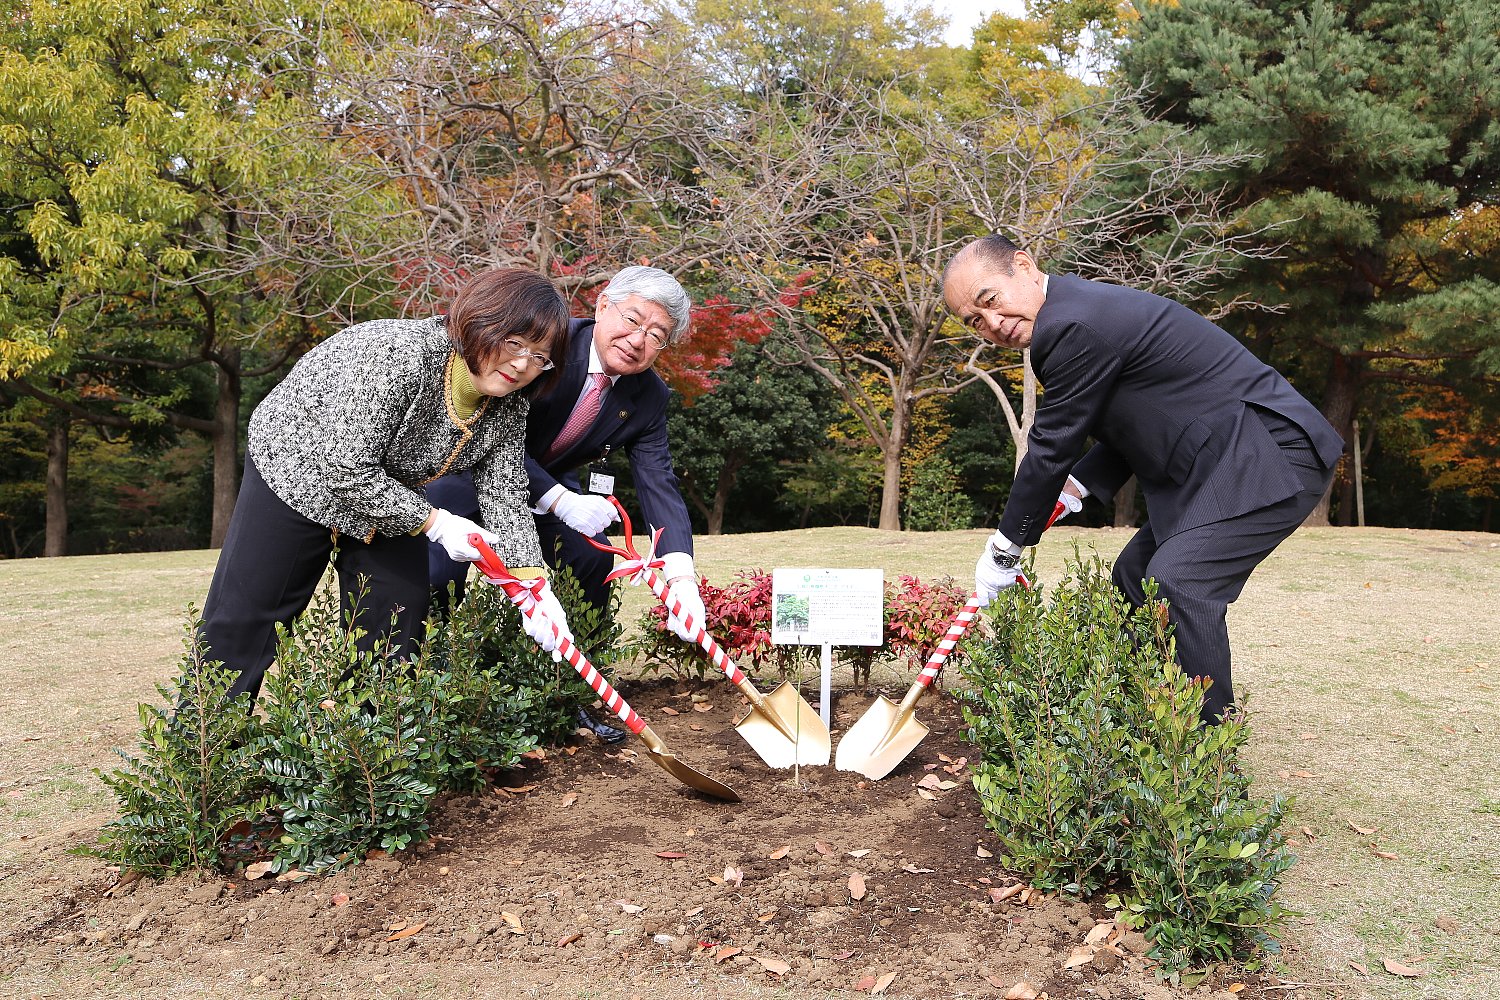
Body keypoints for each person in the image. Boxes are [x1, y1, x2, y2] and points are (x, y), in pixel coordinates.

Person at [943, 234, 1343, 723]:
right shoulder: (1079, 311)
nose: (992, 324)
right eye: (974, 322)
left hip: (1268, 451)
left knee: (1180, 582)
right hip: (1221, 460)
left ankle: (1205, 756)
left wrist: (1006, 548)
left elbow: (1051, 446)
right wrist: (1077, 487)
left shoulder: (1070, 324)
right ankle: (1139, 719)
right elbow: (1138, 417)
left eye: (990, 301)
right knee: (1135, 578)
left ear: (1023, 266)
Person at [199, 268, 576, 705]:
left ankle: (366, 757)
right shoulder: (400, 355)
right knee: (249, 618)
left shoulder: (509, 402)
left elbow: (505, 494)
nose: (522, 365)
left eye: (540, 356)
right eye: (514, 343)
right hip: (299, 470)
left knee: (397, 618)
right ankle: (204, 757)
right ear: (479, 321)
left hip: (388, 490)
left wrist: (533, 585)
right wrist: (434, 522)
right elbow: (344, 467)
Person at [427, 266, 706, 640]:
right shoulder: (547, 341)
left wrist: (682, 578)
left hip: (548, 488)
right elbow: (487, 428)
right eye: (632, 319)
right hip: (466, 470)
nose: (637, 340)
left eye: (656, 335)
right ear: (604, 304)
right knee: (439, 574)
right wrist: (558, 498)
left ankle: (570, 678)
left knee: (593, 557)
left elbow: (659, 481)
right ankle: (419, 675)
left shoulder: (649, 397)